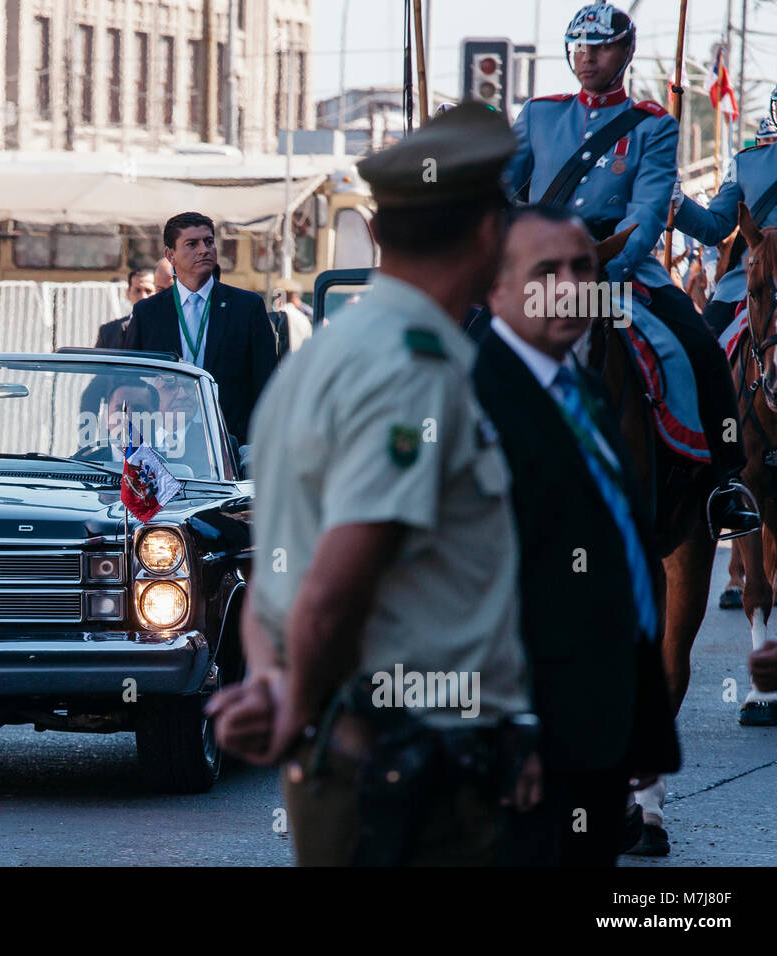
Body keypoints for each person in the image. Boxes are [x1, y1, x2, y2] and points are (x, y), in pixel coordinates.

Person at [208, 102, 540, 866]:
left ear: (379, 235)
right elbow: (331, 586)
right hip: (422, 783)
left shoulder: (332, 352)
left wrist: (268, 677)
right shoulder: (413, 370)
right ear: (493, 232)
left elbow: (278, 566)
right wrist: (294, 705)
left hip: (369, 762)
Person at [474, 205, 680, 864]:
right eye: (546, 272)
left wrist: (642, 728)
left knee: (691, 351)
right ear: (497, 289)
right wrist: (510, 729)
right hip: (524, 744)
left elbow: (621, 560)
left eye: (583, 270)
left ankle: (717, 482)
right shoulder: (469, 401)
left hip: (596, 736)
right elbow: (456, 589)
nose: (571, 287)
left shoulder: (584, 389)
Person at [504, 1, 757, 536]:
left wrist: (610, 266)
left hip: (622, 267)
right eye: (579, 48)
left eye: (600, 47)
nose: (588, 57)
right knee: (469, 334)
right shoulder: (540, 113)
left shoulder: (653, 126)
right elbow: (503, 193)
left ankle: (727, 483)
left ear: (625, 51)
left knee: (705, 352)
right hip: (541, 269)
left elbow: (646, 211)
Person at [123, 212, 276, 445]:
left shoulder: (247, 307)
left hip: (230, 443)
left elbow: (268, 383)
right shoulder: (148, 313)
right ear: (170, 255)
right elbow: (132, 382)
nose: (204, 250)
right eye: (192, 244)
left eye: (209, 241)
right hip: (166, 443)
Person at [673, 75, 777, 336]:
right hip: (748, 282)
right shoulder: (746, 164)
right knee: (702, 349)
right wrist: (677, 203)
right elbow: (714, 228)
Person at [94, 265, 164, 349]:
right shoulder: (108, 332)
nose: (143, 297)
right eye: (137, 291)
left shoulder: (167, 329)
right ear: (127, 294)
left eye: (148, 291)